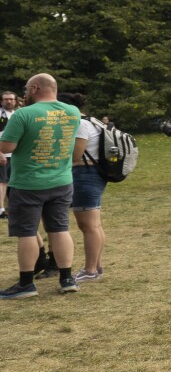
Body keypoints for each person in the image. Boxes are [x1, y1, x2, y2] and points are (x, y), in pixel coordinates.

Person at [0, 74, 82, 299]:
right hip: (62, 180)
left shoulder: (23, 114)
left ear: (34, 88)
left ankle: (26, 283)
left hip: (28, 182)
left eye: (26, 90)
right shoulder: (72, 112)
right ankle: (67, 278)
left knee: (26, 232)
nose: (23, 94)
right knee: (59, 229)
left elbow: (7, 145)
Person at [60, 93, 109, 283]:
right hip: (93, 174)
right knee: (94, 224)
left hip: (84, 174)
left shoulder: (79, 124)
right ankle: (96, 266)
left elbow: (76, 155)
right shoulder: (92, 121)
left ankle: (89, 270)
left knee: (88, 225)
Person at [0, 90, 18, 218]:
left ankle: (13, 208)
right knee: (2, 182)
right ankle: (1, 210)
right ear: (2, 101)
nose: (9, 101)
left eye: (11, 99)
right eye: (6, 99)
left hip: (17, 155)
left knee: (14, 182)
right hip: (3, 154)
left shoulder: (18, 114)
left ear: (15, 101)